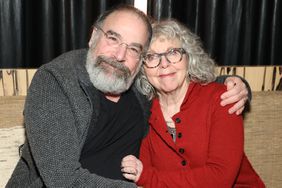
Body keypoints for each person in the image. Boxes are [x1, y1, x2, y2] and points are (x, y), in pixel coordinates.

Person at [7, 5, 249, 188]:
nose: (119, 55)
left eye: (134, 48)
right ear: (93, 36)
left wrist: (234, 84)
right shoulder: (57, 82)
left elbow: (180, 83)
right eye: (113, 38)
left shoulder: (136, 87)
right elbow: (63, 179)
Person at [121, 20, 265, 187]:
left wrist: (147, 176)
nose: (164, 64)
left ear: (189, 58)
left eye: (173, 52)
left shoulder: (222, 99)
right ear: (142, 68)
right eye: (151, 57)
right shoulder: (144, 112)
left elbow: (219, 179)